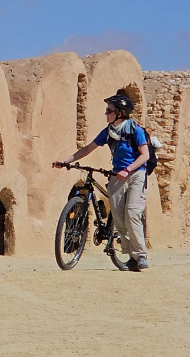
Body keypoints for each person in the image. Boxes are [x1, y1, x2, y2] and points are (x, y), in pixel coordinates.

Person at [54, 94, 149, 271]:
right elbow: (88, 149)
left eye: (109, 110)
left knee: (132, 212)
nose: (106, 113)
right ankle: (131, 257)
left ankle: (141, 256)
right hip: (116, 175)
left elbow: (145, 155)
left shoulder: (135, 130)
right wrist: (65, 161)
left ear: (120, 113)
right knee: (119, 218)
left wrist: (127, 169)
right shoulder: (107, 132)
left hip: (136, 174)